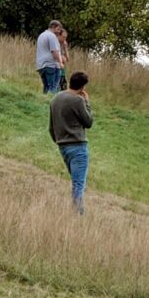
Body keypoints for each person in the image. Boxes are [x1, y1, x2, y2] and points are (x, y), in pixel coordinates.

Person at [49, 71, 93, 214]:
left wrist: (58, 141)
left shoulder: (55, 98)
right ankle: (78, 215)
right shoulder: (78, 100)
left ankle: (77, 212)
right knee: (78, 184)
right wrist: (87, 102)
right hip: (78, 146)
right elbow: (88, 122)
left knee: (76, 182)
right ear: (83, 87)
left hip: (63, 146)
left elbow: (51, 127)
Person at [36, 20, 65, 94]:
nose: (59, 31)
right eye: (58, 29)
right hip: (51, 65)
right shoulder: (52, 36)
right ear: (53, 27)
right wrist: (60, 63)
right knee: (53, 87)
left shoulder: (42, 35)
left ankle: (44, 102)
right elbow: (55, 51)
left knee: (46, 87)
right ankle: (51, 103)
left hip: (41, 65)